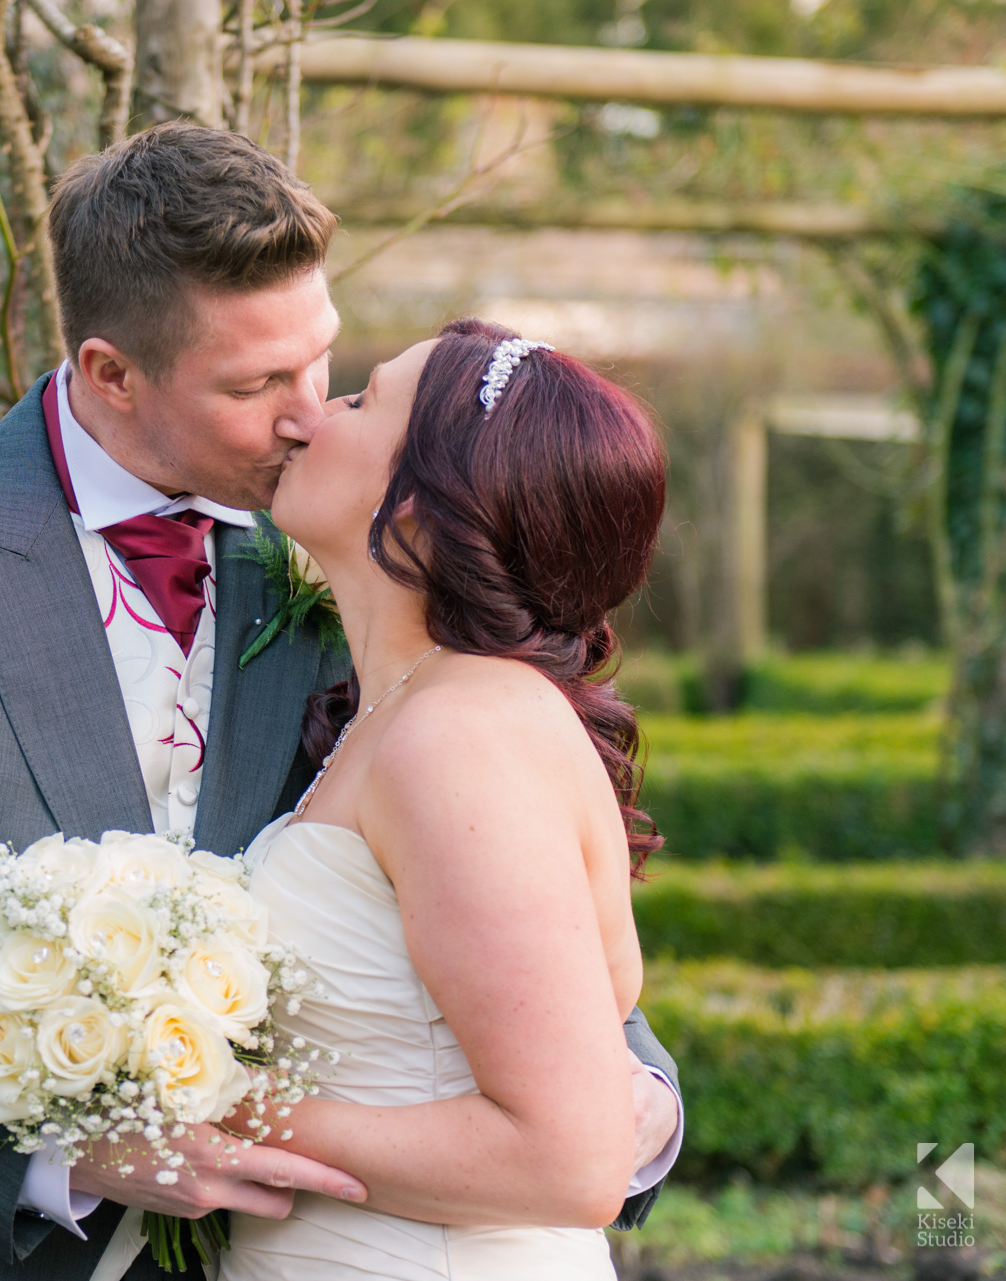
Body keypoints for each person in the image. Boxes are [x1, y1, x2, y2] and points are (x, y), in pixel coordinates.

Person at [0, 123, 682, 1281]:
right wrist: (66, 1151)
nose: (309, 412)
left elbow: (498, 908)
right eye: (257, 383)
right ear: (112, 372)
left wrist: (635, 1107)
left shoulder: (358, 559)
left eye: (324, 361)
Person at [218, 319, 673, 1279]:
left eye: (359, 399)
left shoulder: (459, 737)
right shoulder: (403, 709)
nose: (312, 412)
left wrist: (207, 1109)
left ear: (418, 505)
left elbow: (575, 1159)